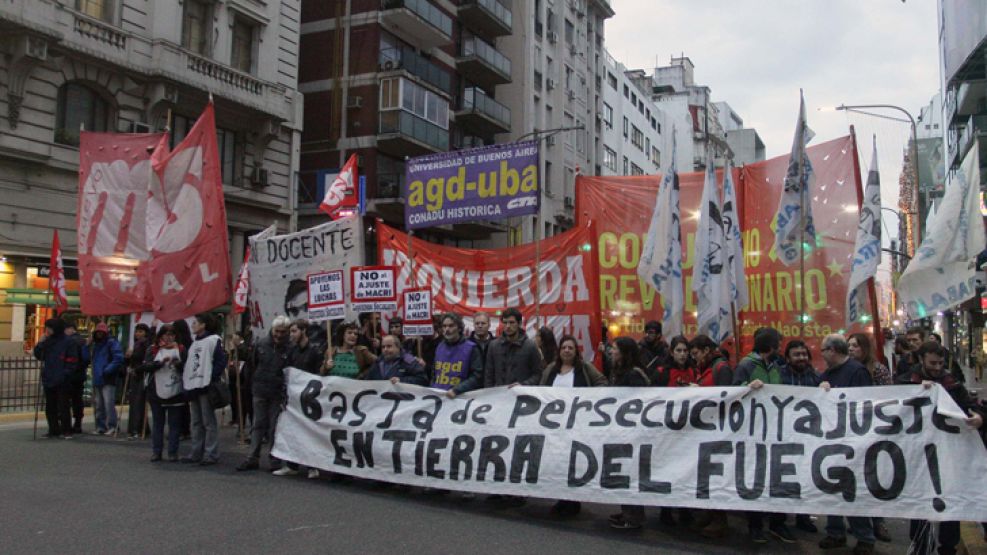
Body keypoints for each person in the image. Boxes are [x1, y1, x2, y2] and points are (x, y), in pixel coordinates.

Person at [906, 341, 983, 555]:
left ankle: (947, 548)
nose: (938, 368)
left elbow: (971, 407)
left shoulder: (952, 384)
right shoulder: (906, 381)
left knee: (949, 501)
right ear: (921, 360)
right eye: (933, 363)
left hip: (948, 456)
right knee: (920, 501)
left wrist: (978, 417)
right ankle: (921, 546)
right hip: (918, 455)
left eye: (941, 363)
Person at [733, 327, 796, 544]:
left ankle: (778, 524)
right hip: (753, 432)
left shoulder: (776, 366)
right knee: (756, 478)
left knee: (777, 478)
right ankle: (755, 526)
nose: (781, 348)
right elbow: (732, 392)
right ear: (771, 346)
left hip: (775, 431)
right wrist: (746, 387)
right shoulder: (746, 365)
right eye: (778, 344)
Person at [818, 334, 875, 554]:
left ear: (832, 350)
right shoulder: (826, 375)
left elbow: (865, 405)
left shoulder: (856, 372)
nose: (821, 354)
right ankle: (835, 533)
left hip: (853, 442)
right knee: (832, 486)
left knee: (853, 489)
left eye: (823, 350)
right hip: (831, 441)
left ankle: (865, 537)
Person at [540, 334, 607, 516]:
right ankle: (561, 498)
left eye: (570, 348)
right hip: (554, 426)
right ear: (559, 351)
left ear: (576, 351)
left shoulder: (585, 368)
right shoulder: (550, 370)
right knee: (558, 462)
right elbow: (540, 390)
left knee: (573, 462)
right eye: (564, 348)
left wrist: (589, 400)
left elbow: (602, 382)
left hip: (577, 425)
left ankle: (572, 501)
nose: (567, 351)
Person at [688, 334, 732, 537]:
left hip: (718, 429)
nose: (694, 357)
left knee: (715, 474)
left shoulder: (721, 368)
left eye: (696, 353)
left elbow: (726, 396)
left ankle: (719, 519)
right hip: (705, 428)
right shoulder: (704, 368)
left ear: (706, 350)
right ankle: (709, 513)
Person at [776, 339, 821, 534]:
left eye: (804, 354)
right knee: (783, 478)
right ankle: (780, 520)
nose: (801, 358)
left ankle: (803, 517)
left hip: (807, 436)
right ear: (788, 358)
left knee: (804, 477)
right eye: (797, 354)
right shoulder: (780, 375)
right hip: (784, 435)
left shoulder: (815, 377)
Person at [606, 337, 651, 530]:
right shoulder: (619, 371)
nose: (611, 352)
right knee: (623, 472)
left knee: (631, 473)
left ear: (624, 352)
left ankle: (634, 516)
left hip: (632, 432)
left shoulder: (634, 375)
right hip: (621, 430)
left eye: (614, 349)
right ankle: (627, 511)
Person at [276, 319, 328, 478]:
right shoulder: (292, 351)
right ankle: (292, 464)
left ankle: (313, 466)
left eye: (294, 331)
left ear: (304, 331)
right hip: (294, 398)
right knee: (293, 431)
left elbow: (319, 374)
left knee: (310, 432)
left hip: (309, 398)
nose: (291, 335)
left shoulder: (314, 351)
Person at [238, 316, 291, 472]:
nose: (279, 335)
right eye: (277, 331)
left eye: (282, 332)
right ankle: (252, 457)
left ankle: (274, 459)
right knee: (258, 425)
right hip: (260, 389)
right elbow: (252, 364)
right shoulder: (261, 344)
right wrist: (251, 384)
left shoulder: (289, 347)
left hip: (277, 392)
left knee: (274, 427)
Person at [181, 313, 227, 466]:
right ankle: (196, 451)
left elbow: (221, 361)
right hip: (194, 384)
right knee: (196, 421)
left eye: (196, 323)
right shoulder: (195, 343)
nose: (193, 325)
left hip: (205, 385)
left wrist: (210, 377)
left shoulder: (213, 341)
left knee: (208, 421)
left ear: (203, 325)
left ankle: (211, 453)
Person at [143, 325, 186, 462]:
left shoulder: (181, 349)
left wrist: (178, 364)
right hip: (156, 391)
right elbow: (146, 366)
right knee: (158, 423)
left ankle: (173, 452)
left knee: (174, 424)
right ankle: (157, 451)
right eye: (166, 334)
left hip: (176, 391)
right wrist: (159, 364)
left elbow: (187, 367)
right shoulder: (153, 349)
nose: (169, 337)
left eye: (172, 334)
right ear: (161, 335)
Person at [33, 318, 80, 439]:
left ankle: (66, 430)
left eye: (50, 327)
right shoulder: (48, 341)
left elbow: (72, 360)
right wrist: (40, 342)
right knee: (50, 406)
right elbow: (39, 355)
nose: (48, 330)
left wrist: (65, 373)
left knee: (63, 405)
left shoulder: (68, 342)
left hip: (62, 378)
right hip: (49, 376)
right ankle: (53, 429)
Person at [484, 308, 541, 389]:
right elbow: (488, 376)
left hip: (521, 396)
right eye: (505, 322)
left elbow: (537, 374)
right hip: (498, 396)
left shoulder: (530, 346)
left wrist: (523, 385)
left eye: (511, 322)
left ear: (519, 323)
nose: (508, 326)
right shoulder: (493, 346)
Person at [431, 312, 484, 398]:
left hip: (459, 398)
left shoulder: (471, 348)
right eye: (444, 326)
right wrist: (433, 387)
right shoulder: (439, 346)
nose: (447, 329)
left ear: (459, 328)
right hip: (439, 396)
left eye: (451, 326)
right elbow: (434, 373)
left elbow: (477, 377)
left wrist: (457, 390)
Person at [89, 322, 124, 435]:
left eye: (101, 332)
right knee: (99, 404)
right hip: (99, 376)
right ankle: (101, 426)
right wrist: (86, 345)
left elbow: (118, 358)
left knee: (108, 403)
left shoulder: (111, 343)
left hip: (107, 377)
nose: (99, 334)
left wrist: (107, 370)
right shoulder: (95, 345)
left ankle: (111, 426)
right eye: (98, 332)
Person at [126, 323, 152, 439]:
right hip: (135, 375)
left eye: (141, 331)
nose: (138, 334)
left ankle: (137, 428)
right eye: (137, 331)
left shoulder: (146, 344)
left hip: (142, 375)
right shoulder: (136, 345)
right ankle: (138, 428)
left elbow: (145, 360)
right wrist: (127, 357)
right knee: (134, 403)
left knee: (138, 403)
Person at [64, 323, 89, 434]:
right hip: (79, 375)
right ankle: (78, 423)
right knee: (77, 400)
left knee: (66, 400)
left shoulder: (68, 341)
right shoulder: (82, 341)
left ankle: (66, 425)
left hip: (69, 375)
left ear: (71, 329)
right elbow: (86, 359)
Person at [172, 319, 193, 440]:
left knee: (178, 405)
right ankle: (185, 429)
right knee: (184, 405)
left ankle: (180, 429)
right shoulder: (190, 342)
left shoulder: (180, 345)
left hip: (179, 374)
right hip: (186, 376)